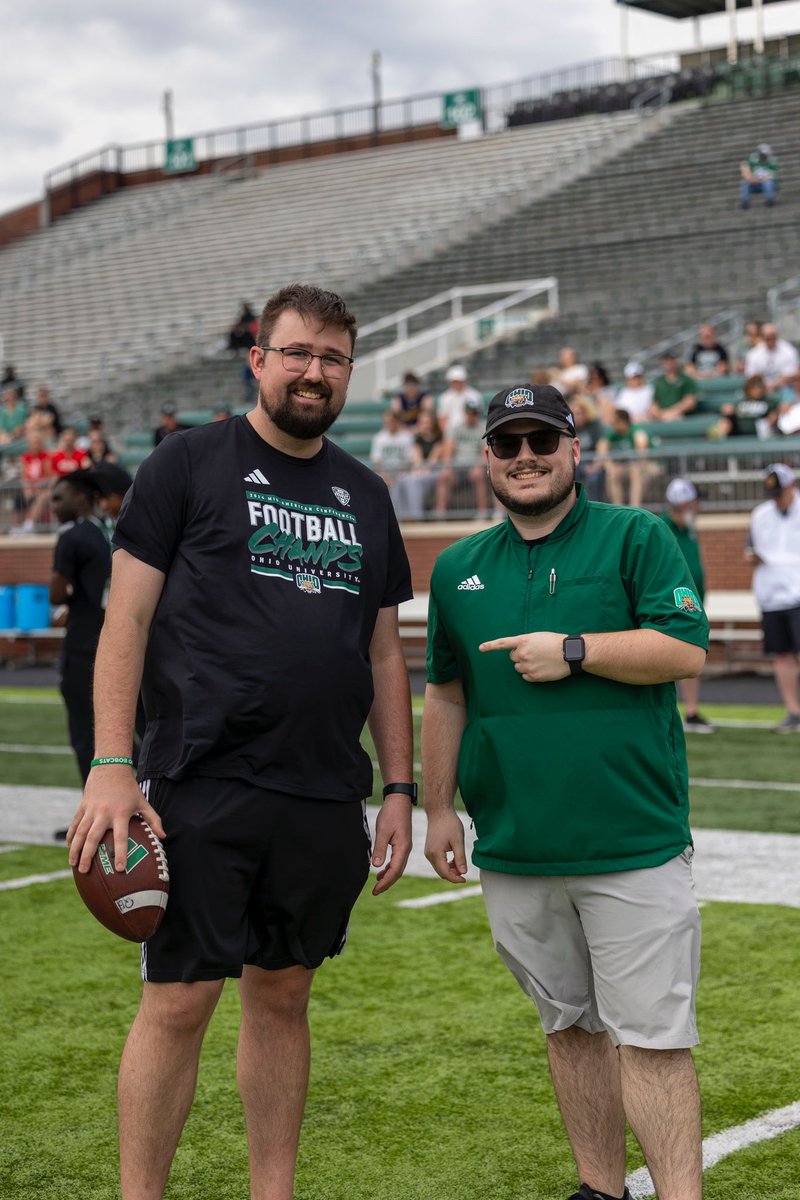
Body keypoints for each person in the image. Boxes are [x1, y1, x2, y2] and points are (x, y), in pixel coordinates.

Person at [66, 283, 414, 1200]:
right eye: (296, 352)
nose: (314, 372)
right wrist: (110, 764)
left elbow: (384, 652)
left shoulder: (366, 493)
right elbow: (126, 619)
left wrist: (400, 789)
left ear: (348, 373)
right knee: (178, 1001)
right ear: (258, 360)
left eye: (332, 358)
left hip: (321, 790)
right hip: (198, 778)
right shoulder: (187, 463)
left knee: (284, 995)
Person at [422, 382, 708, 1200]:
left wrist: (575, 649)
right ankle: (599, 1188)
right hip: (515, 848)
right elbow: (446, 692)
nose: (525, 458)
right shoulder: (458, 568)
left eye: (540, 441)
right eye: (507, 444)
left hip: (631, 841)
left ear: (575, 449)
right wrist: (440, 805)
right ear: (486, 458)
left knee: (652, 1039)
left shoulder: (636, 536)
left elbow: (684, 649)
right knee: (569, 1029)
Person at [49, 472, 112, 784]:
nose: (53, 505)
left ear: (80, 497)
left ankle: (93, 817)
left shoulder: (71, 537)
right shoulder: (105, 532)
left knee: (85, 735)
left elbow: (55, 594)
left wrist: (67, 600)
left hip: (82, 643)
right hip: (109, 637)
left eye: (59, 497)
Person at [747, 463, 800, 732]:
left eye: (780, 492)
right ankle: (793, 710)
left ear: (792, 486)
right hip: (771, 595)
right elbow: (750, 549)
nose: (776, 498)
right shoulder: (760, 515)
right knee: (782, 654)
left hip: (798, 593)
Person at [661, 479, 714, 732]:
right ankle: (667, 713)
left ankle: (691, 712)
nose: (697, 507)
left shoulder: (689, 529)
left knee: (692, 659)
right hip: (668, 608)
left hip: (692, 606)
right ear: (681, 505)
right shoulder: (662, 528)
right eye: (692, 503)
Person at [435, 397, 489, 516]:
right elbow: (448, 449)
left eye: (474, 413)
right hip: (457, 466)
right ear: (465, 413)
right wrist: (447, 467)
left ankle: (482, 512)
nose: (472, 415)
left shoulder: (482, 429)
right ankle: (440, 514)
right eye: (470, 412)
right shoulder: (456, 428)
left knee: (478, 475)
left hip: (475, 465)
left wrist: (479, 466)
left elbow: (484, 451)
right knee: (444, 476)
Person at [391, 409, 445, 520]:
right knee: (401, 479)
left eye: (427, 422)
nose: (425, 425)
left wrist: (420, 470)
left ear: (432, 423)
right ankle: (400, 516)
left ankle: (416, 516)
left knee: (414, 481)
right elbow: (417, 459)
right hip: (420, 471)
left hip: (435, 472)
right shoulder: (417, 439)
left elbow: (432, 461)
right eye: (422, 422)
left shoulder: (439, 439)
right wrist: (418, 470)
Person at [596, 408, 654, 509]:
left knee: (635, 472)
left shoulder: (635, 430)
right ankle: (618, 508)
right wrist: (609, 465)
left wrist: (637, 461)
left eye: (615, 422)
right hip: (625, 466)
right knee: (613, 473)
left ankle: (635, 508)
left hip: (647, 465)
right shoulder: (613, 433)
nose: (613, 424)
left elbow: (641, 448)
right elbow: (601, 447)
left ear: (623, 421)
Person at [744, 323, 799, 403]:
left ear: (776, 336)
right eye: (766, 337)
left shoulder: (788, 350)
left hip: (784, 388)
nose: (769, 339)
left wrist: (772, 387)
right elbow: (751, 376)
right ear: (762, 336)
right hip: (761, 389)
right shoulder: (754, 354)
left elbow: (790, 375)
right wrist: (762, 388)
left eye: (772, 337)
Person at [713, 374, 781, 438]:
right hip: (739, 431)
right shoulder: (741, 402)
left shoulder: (770, 402)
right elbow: (730, 411)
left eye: (760, 387)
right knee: (725, 420)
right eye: (755, 387)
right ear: (749, 388)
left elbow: (775, 415)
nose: (758, 390)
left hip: (761, 432)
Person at [650, 350, 697, 422]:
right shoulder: (659, 382)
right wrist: (658, 413)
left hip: (680, 416)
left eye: (672, 360)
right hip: (661, 416)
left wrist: (674, 411)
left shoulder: (686, 380)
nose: (669, 362)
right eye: (666, 360)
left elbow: (690, 402)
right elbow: (654, 403)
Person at [436, 364, 483, 433]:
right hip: (451, 432)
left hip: (471, 432)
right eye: (455, 381)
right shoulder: (445, 397)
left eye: (459, 381)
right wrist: (447, 436)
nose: (457, 383)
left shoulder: (474, 395)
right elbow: (442, 419)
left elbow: (477, 416)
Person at [740, 143, 778, 209]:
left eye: (765, 155)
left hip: (768, 184)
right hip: (754, 184)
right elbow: (744, 169)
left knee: (768, 182)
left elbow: (770, 176)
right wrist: (751, 178)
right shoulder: (751, 158)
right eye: (762, 155)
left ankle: (770, 200)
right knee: (744, 183)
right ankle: (745, 202)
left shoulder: (772, 161)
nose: (764, 156)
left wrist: (756, 179)